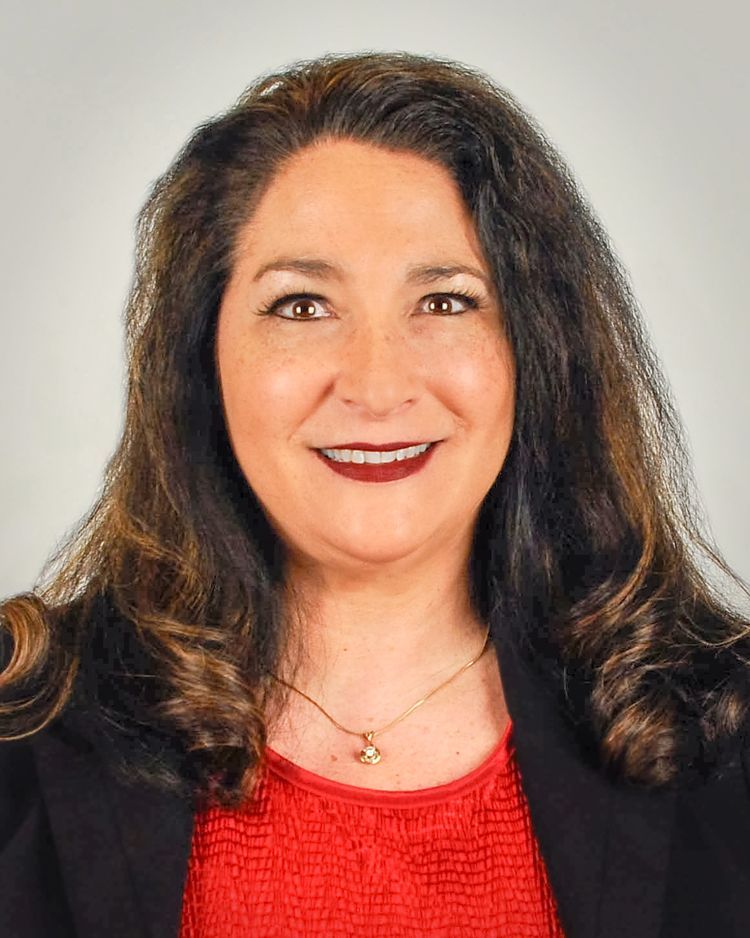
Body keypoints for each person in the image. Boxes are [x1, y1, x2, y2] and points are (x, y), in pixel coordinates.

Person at [1, 50, 750, 938]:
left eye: (445, 302)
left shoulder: (724, 728)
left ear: (535, 351)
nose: (376, 384)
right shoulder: (26, 725)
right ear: (201, 354)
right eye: (302, 306)